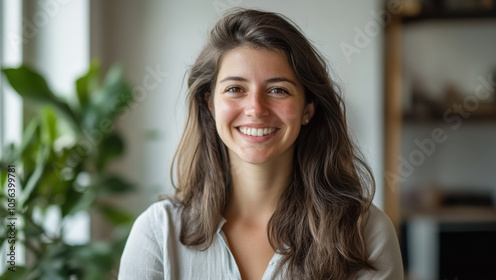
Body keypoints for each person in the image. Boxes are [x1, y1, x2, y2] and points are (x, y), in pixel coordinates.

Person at [118, 8, 404, 280]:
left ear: (308, 108)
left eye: (278, 90)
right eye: (235, 89)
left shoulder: (366, 233)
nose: (256, 108)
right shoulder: (158, 232)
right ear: (210, 103)